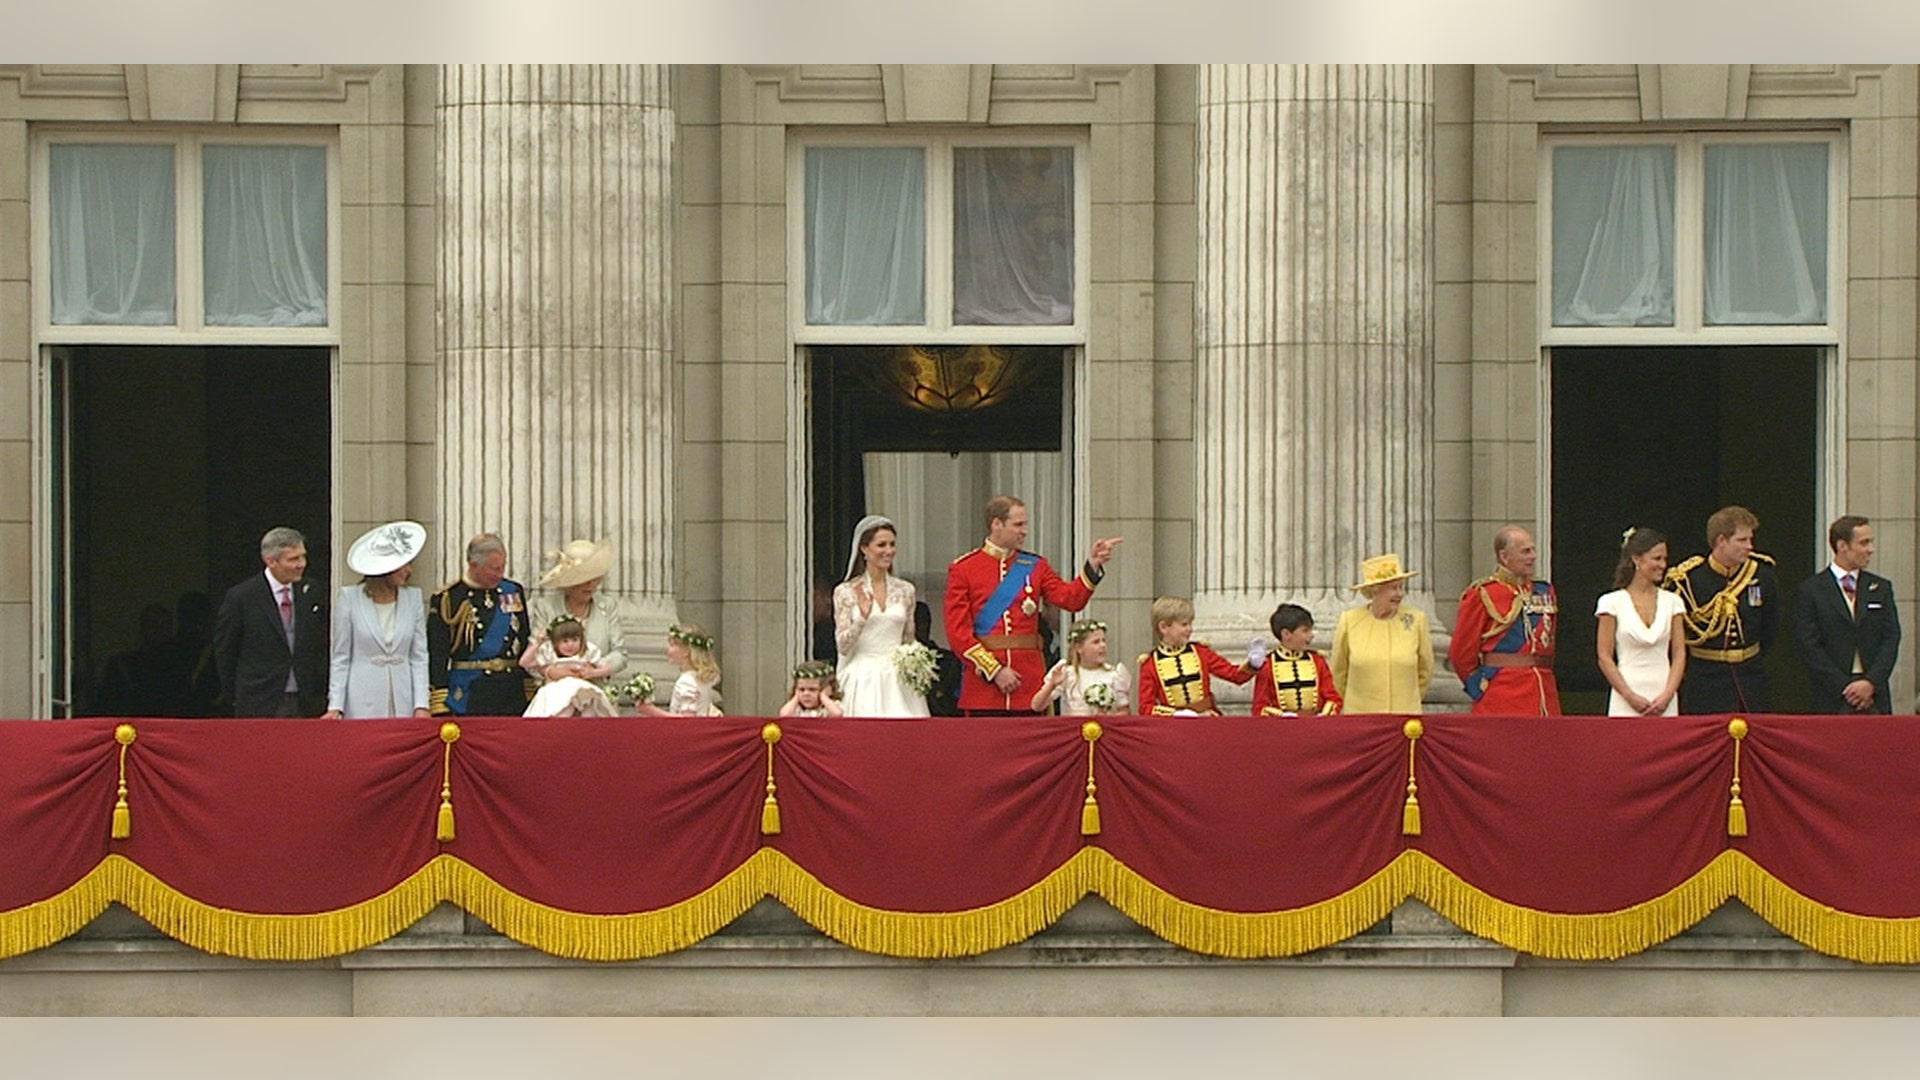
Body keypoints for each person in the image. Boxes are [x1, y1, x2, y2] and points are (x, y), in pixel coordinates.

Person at [945, 495, 1122, 715]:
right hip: (984, 688)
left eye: (1025, 524)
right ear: (996, 524)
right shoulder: (964, 569)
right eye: (1018, 525)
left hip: (1028, 685)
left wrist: (1093, 565)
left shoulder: (1034, 566)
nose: (1024, 531)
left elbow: (1071, 599)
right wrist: (995, 670)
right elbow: (957, 633)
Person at [1664, 506, 1780, 714]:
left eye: (1750, 540)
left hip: (1750, 680)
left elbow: (1769, 628)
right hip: (1705, 682)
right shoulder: (1689, 579)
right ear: (1721, 541)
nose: (1749, 546)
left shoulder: (1762, 574)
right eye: (1742, 540)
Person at [213, 526, 329, 717]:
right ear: (270, 561)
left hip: (304, 699)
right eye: (293, 559)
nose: (301, 564)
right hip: (259, 700)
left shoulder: (310, 590)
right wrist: (235, 696)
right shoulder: (242, 597)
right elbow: (226, 651)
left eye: (303, 556)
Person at [1794, 514, 1902, 714]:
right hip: (1831, 696)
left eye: (1870, 542)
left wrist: (1870, 683)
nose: (1871, 549)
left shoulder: (1880, 588)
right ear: (1842, 545)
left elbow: (1891, 638)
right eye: (1864, 543)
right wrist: (1844, 687)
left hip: (1874, 695)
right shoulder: (1811, 591)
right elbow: (1809, 645)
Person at [324, 520, 431, 720]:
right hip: (362, 699)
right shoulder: (350, 598)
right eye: (403, 565)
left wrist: (421, 704)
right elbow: (341, 657)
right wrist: (335, 706)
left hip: (403, 700)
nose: (409, 571)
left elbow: (419, 656)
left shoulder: (413, 597)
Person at [1449, 525, 1561, 716]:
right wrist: (1481, 686)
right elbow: (1461, 652)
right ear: (1504, 557)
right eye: (1525, 551)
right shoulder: (1482, 593)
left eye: (1533, 550)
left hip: (1543, 690)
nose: (1533, 556)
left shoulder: (1544, 591)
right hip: (1502, 694)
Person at [832, 515, 931, 718]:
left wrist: (916, 664)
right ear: (864, 549)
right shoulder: (846, 591)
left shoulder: (905, 590)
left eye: (892, 545)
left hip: (898, 678)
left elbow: (908, 639)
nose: (889, 551)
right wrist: (862, 618)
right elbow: (842, 645)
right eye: (881, 545)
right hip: (862, 676)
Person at [428, 532, 534, 717]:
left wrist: (528, 688)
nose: (500, 573)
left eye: (503, 566)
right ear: (473, 565)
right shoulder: (449, 598)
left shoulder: (511, 591)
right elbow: (437, 653)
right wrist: (440, 702)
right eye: (493, 568)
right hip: (471, 691)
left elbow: (523, 638)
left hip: (511, 691)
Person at [1594, 526, 1687, 716]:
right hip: (1626, 695)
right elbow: (1604, 656)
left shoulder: (1673, 602)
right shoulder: (1611, 602)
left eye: (1664, 559)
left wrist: (1667, 695)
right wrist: (1629, 696)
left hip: (1664, 695)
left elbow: (1679, 653)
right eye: (1657, 558)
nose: (1663, 565)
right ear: (1637, 559)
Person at [1330, 554, 1433, 714]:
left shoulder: (1416, 620)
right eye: (1393, 588)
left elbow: (1425, 670)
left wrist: (1409, 701)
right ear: (1374, 591)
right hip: (1361, 718)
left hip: (1404, 718)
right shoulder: (1350, 621)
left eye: (1401, 587)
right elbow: (1338, 672)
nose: (1400, 594)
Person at [528, 538, 626, 686]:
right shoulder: (546, 607)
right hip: (556, 692)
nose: (590, 585)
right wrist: (550, 671)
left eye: (593, 578)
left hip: (597, 690)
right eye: (582, 579)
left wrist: (595, 669)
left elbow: (620, 654)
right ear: (568, 582)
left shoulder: (607, 606)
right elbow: (533, 653)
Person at [1137, 596, 1256, 715]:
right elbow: (1145, 707)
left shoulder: (1201, 653)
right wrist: (1173, 714)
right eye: (1184, 625)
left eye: (1190, 624)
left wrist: (1253, 664)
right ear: (1163, 627)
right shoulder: (1150, 664)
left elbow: (1234, 675)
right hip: (1173, 727)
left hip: (1206, 722)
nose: (1190, 629)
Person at [1251, 602, 1343, 716]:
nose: (1311, 635)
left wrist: (1324, 716)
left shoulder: (1317, 661)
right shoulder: (1267, 665)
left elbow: (1333, 698)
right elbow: (1259, 707)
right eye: (1305, 631)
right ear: (1286, 634)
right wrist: (1280, 716)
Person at [1031, 618, 1132, 716]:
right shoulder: (1067, 672)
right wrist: (1051, 685)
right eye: (1096, 642)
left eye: (1103, 640)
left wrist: (1108, 716)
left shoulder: (1113, 674)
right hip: (1074, 729)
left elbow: (1124, 711)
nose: (1103, 645)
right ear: (1079, 648)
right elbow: (1036, 706)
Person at [638, 624, 723, 716]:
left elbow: (686, 720)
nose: (668, 649)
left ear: (686, 651)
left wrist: (651, 711)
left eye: (672, 645)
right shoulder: (701, 678)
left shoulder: (687, 681)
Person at [913, 601, 963, 716]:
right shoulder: (895, 662)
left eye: (924, 622)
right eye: (917, 622)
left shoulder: (949, 661)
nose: (921, 627)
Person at [779, 660, 844, 718]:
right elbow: (784, 716)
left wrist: (824, 696)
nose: (806, 694)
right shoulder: (796, 708)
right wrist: (796, 697)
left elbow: (837, 714)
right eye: (801, 689)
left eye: (812, 689)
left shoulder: (829, 708)